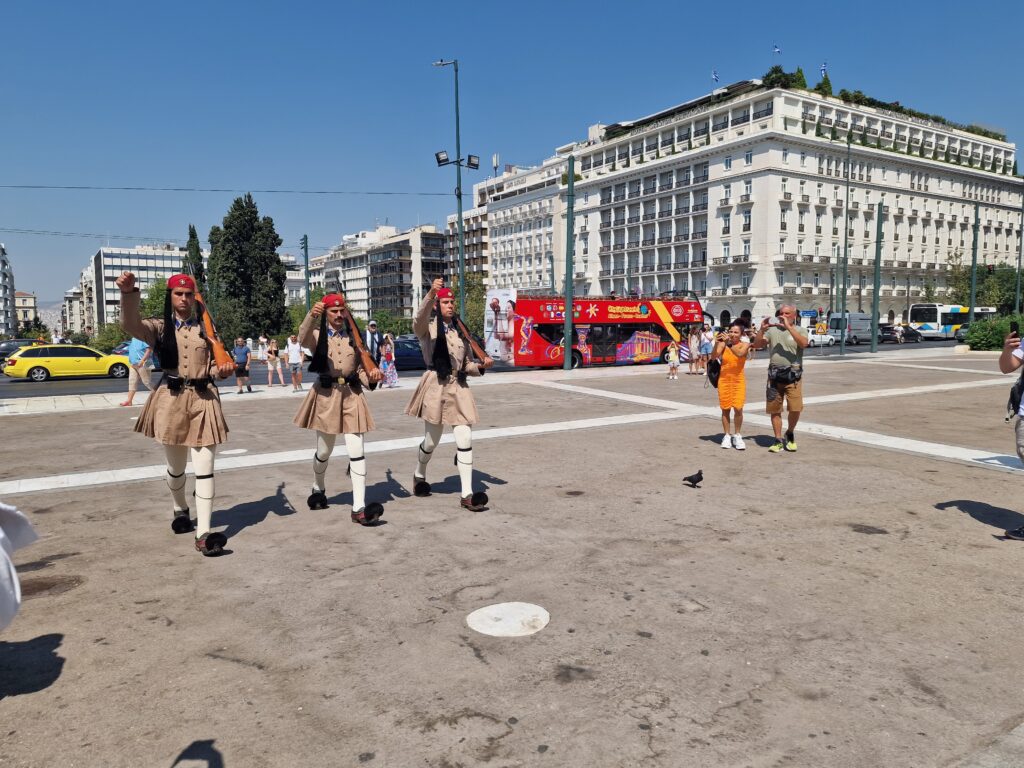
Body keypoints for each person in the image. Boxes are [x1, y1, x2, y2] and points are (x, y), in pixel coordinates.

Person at [116, 271, 234, 556]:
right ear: (170, 297)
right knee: (176, 468)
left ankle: (204, 533)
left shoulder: (207, 330)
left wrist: (224, 370)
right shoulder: (159, 327)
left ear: (195, 298)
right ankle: (180, 507)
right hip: (171, 400)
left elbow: (214, 365)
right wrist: (128, 294)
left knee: (205, 469)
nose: (184, 298)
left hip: (205, 400)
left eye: (188, 294)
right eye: (178, 294)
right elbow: (130, 324)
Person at [294, 293, 385, 524]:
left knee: (357, 451)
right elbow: (303, 338)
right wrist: (311, 316)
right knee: (324, 451)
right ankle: (318, 486)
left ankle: (359, 507)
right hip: (327, 396)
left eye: (341, 310)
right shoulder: (318, 335)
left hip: (352, 395)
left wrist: (372, 376)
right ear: (326, 314)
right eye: (333, 311)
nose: (338, 315)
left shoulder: (354, 338)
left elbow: (361, 368)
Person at [406, 278, 494, 511]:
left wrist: (481, 366)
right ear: (438, 305)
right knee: (431, 441)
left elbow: (466, 364)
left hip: (458, 386)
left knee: (465, 439)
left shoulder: (460, 331)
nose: (450, 305)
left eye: (452, 302)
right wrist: (430, 295)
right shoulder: (428, 328)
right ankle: (419, 473)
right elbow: (418, 320)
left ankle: (467, 495)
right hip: (436, 385)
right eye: (445, 302)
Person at [751, 304, 809, 453]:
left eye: (787, 313)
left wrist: (789, 327)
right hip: (774, 376)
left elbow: (803, 344)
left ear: (794, 316)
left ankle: (789, 432)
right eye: (781, 313)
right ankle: (777, 439)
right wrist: (761, 330)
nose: (782, 316)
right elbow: (757, 345)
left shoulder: (801, 330)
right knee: (775, 409)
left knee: (795, 408)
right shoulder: (772, 330)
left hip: (793, 376)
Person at [712, 322, 750, 450]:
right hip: (724, 380)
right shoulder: (723, 344)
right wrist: (717, 343)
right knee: (725, 408)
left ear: (741, 334)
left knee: (738, 408)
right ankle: (727, 435)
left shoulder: (745, 344)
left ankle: (737, 435)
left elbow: (739, 354)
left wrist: (728, 343)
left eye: (736, 332)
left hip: (738, 380)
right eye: (731, 331)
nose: (732, 334)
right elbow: (713, 357)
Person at [120, 336, 154, 407]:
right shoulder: (133, 339)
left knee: (147, 382)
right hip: (133, 364)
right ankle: (129, 401)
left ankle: (161, 395)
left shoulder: (143, 338)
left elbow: (149, 350)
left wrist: (142, 361)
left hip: (142, 363)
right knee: (132, 382)